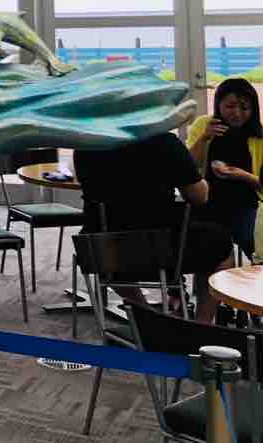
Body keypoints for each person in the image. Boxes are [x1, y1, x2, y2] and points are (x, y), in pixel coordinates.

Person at [74, 132, 231, 324]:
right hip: (159, 252)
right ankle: (202, 325)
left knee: (113, 258)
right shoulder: (164, 141)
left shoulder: (86, 144)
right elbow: (199, 197)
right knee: (222, 246)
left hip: (101, 252)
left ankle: (146, 316)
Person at [187, 77, 263, 259]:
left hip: (247, 203)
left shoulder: (259, 136)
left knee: (253, 241)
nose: (237, 113)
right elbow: (189, 167)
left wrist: (244, 176)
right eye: (230, 106)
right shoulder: (204, 125)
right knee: (208, 252)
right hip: (208, 203)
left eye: (244, 108)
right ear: (218, 104)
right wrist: (204, 138)